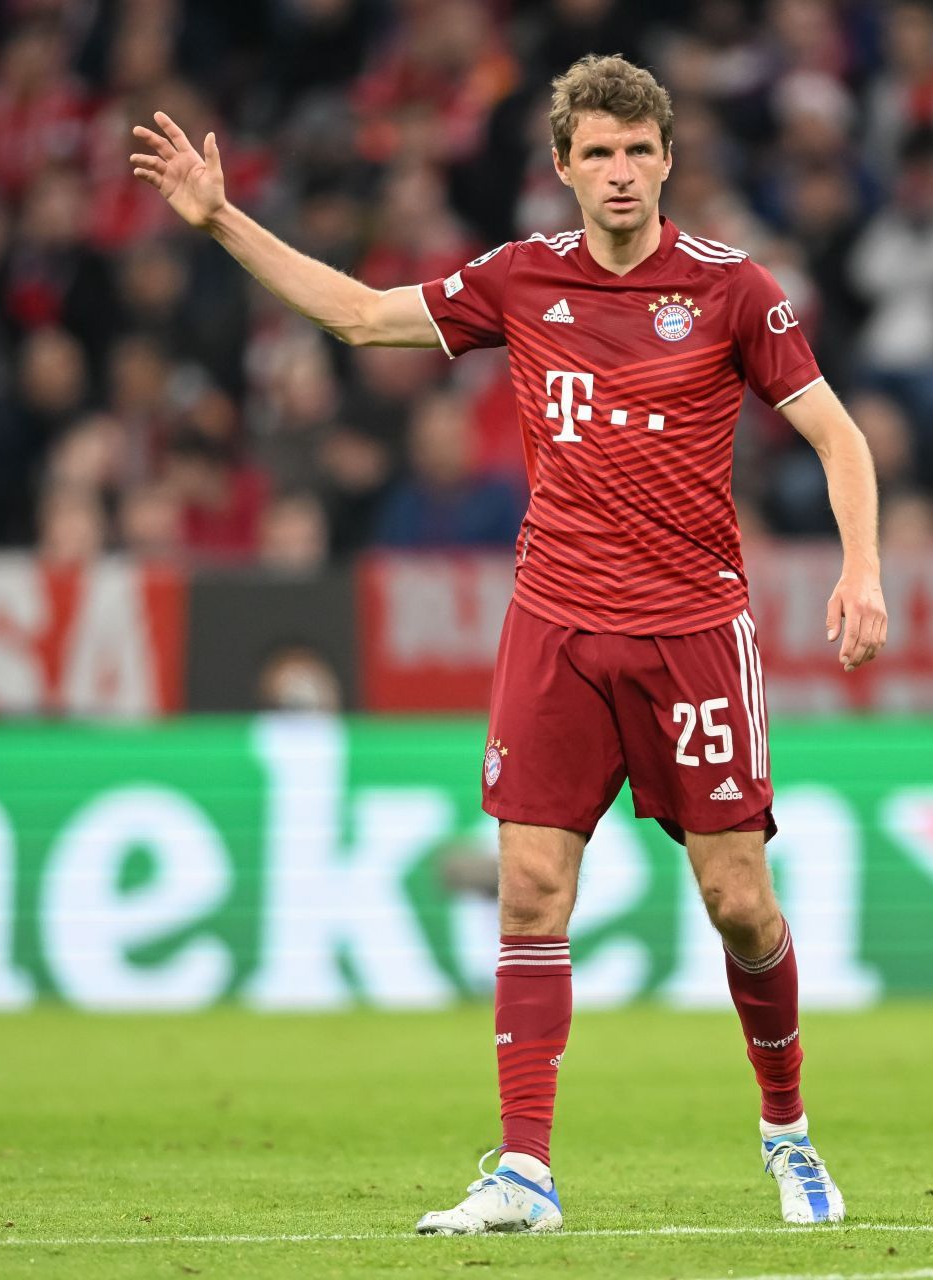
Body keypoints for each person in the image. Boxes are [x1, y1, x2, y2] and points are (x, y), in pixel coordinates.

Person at [132, 52, 888, 1232]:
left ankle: (788, 1132)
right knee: (532, 889)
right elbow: (361, 316)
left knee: (740, 902)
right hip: (557, 627)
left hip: (693, 631)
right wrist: (223, 218)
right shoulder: (523, 278)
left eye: (641, 150)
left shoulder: (736, 290)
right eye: (600, 152)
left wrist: (861, 566)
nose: (622, 172)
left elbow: (841, 438)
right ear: (563, 166)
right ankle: (524, 1170)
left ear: (669, 158)